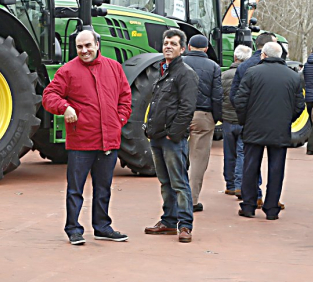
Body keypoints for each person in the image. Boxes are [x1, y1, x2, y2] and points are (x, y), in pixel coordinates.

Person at [42, 29, 133, 245]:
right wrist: (64, 107)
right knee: (76, 189)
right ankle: (73, 228)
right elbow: (49, 95)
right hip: (82, 141)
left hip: (108, 139)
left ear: (97, 45)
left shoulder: (114, 68)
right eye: (80, 47)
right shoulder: (68, 71)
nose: (84, 51)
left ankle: (102, 226)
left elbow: (125, 97)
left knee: (103, 188)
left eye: (88, 46)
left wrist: (118, 120)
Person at [233, 41, 304, 220]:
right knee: (276, 169)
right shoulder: (293, 77)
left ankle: (248, 206)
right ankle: (272, 209)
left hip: (253, 129)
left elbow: (239, 101)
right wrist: (286, 120)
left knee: (250, 168)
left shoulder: (251, 73)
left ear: (263, 55)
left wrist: (245, 121)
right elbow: (299, 106)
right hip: (279, 131)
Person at [143, 28, 199, 243]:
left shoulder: (185, 74)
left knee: (179, 183)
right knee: (165, 181)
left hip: (171, 140)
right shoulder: (163, 71)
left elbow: (187, 108)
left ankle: (185, 226)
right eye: (166, 43)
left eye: (173, 44)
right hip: (157, 137)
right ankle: (168, 221)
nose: (168, 46)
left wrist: (173, 135)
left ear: (182, 49)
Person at [182, 34, 223, 212]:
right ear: (206, 49)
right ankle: (191, 200)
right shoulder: (213, 66)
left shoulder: (178, 62)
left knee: (177, 155)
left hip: (179, 114)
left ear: (188, 46)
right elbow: (217, 95)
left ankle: (175, 197)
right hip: (203, 114)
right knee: (198, 159)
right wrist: (216, 117)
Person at [221, 45, 253, 196]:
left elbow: (219, 97)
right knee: (242, 152)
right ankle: (240, 184)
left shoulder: (224, 75)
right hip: (244, 120)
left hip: (227, 120)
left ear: (234, 57)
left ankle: (230, 184)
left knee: (229, 153)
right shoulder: (251, 74)